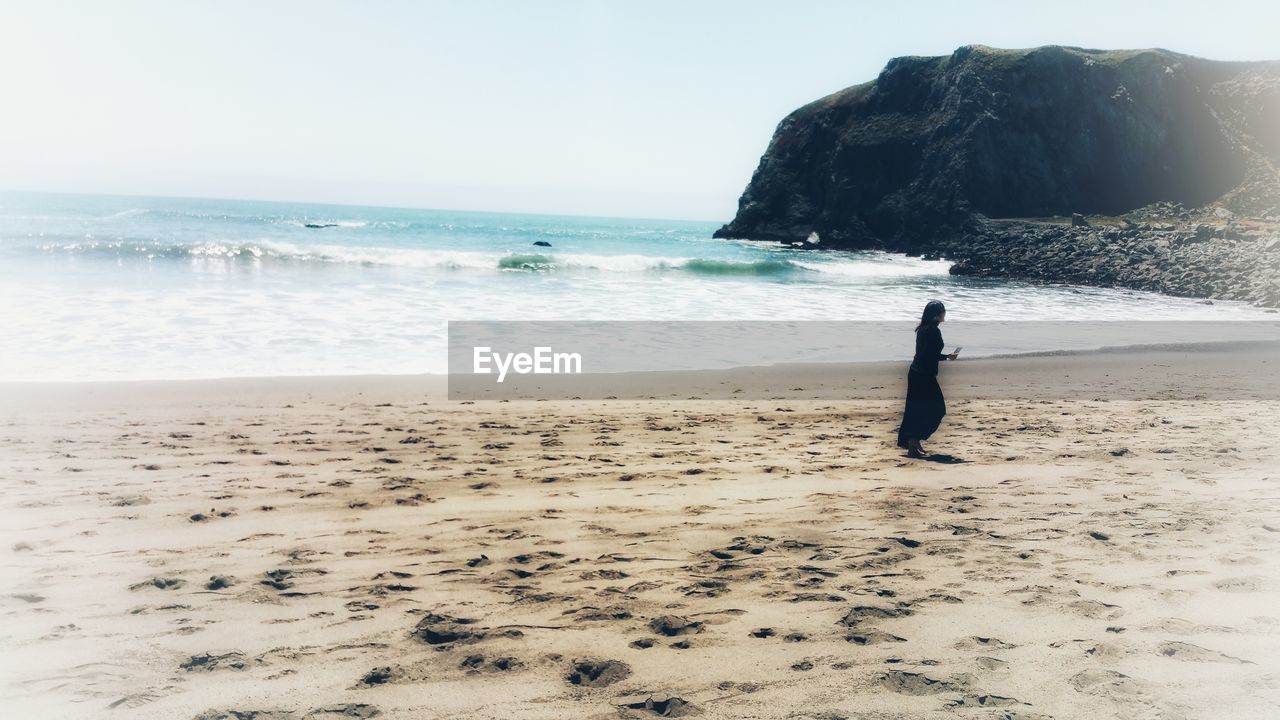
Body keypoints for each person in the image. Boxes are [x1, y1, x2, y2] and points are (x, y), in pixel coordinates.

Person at [897, 300, 959, 458]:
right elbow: (928, 355)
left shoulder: (923, 329)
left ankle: (914, 442)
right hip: (923, 376)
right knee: (938, 410)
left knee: (916, 410)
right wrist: (946, 357)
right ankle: (913, 440)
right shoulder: (932, 331)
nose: (945, 314)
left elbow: (926, 354)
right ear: (938, 314)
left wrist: (945, 357)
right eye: (944, 311)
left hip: (917, 373)